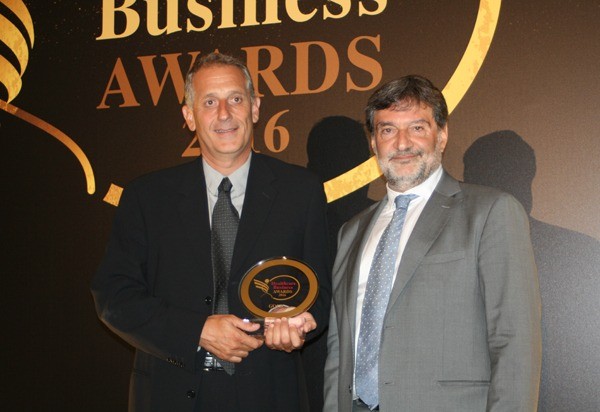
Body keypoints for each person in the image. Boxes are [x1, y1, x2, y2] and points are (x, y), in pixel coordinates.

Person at [91, 52, 331, 412]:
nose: (224, 114)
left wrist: (299, 322)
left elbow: (320, 293)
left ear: (255, 107)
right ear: (189, 116)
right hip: (170, 395)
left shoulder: (301, 191)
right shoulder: (147, 197)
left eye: (235, 99)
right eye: (209, 102)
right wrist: (197, 330)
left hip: (268, 394)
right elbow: (114, 297)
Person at [323, 75, 541, 411]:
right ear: (374, 143)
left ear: (442, 135)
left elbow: (515, 341)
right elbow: (338, 350)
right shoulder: (351, 231)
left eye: (417, 128)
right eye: (387, 130)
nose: (402, 143)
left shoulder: (490, 212)